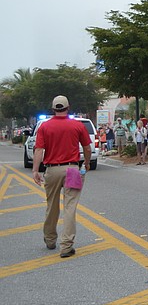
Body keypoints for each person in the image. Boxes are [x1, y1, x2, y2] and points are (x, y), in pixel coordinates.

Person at [31, 95, 92, 258]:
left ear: (53, 109)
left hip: (51, 170)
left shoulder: (44, 127)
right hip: (72, 169)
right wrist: (86, 163)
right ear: (68, 107)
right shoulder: (77, 125)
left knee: (51, 206)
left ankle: (50, 240)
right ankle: (66, 246)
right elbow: (87, 147)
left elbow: (38, 150)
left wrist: (35, 170)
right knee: (70, 207)